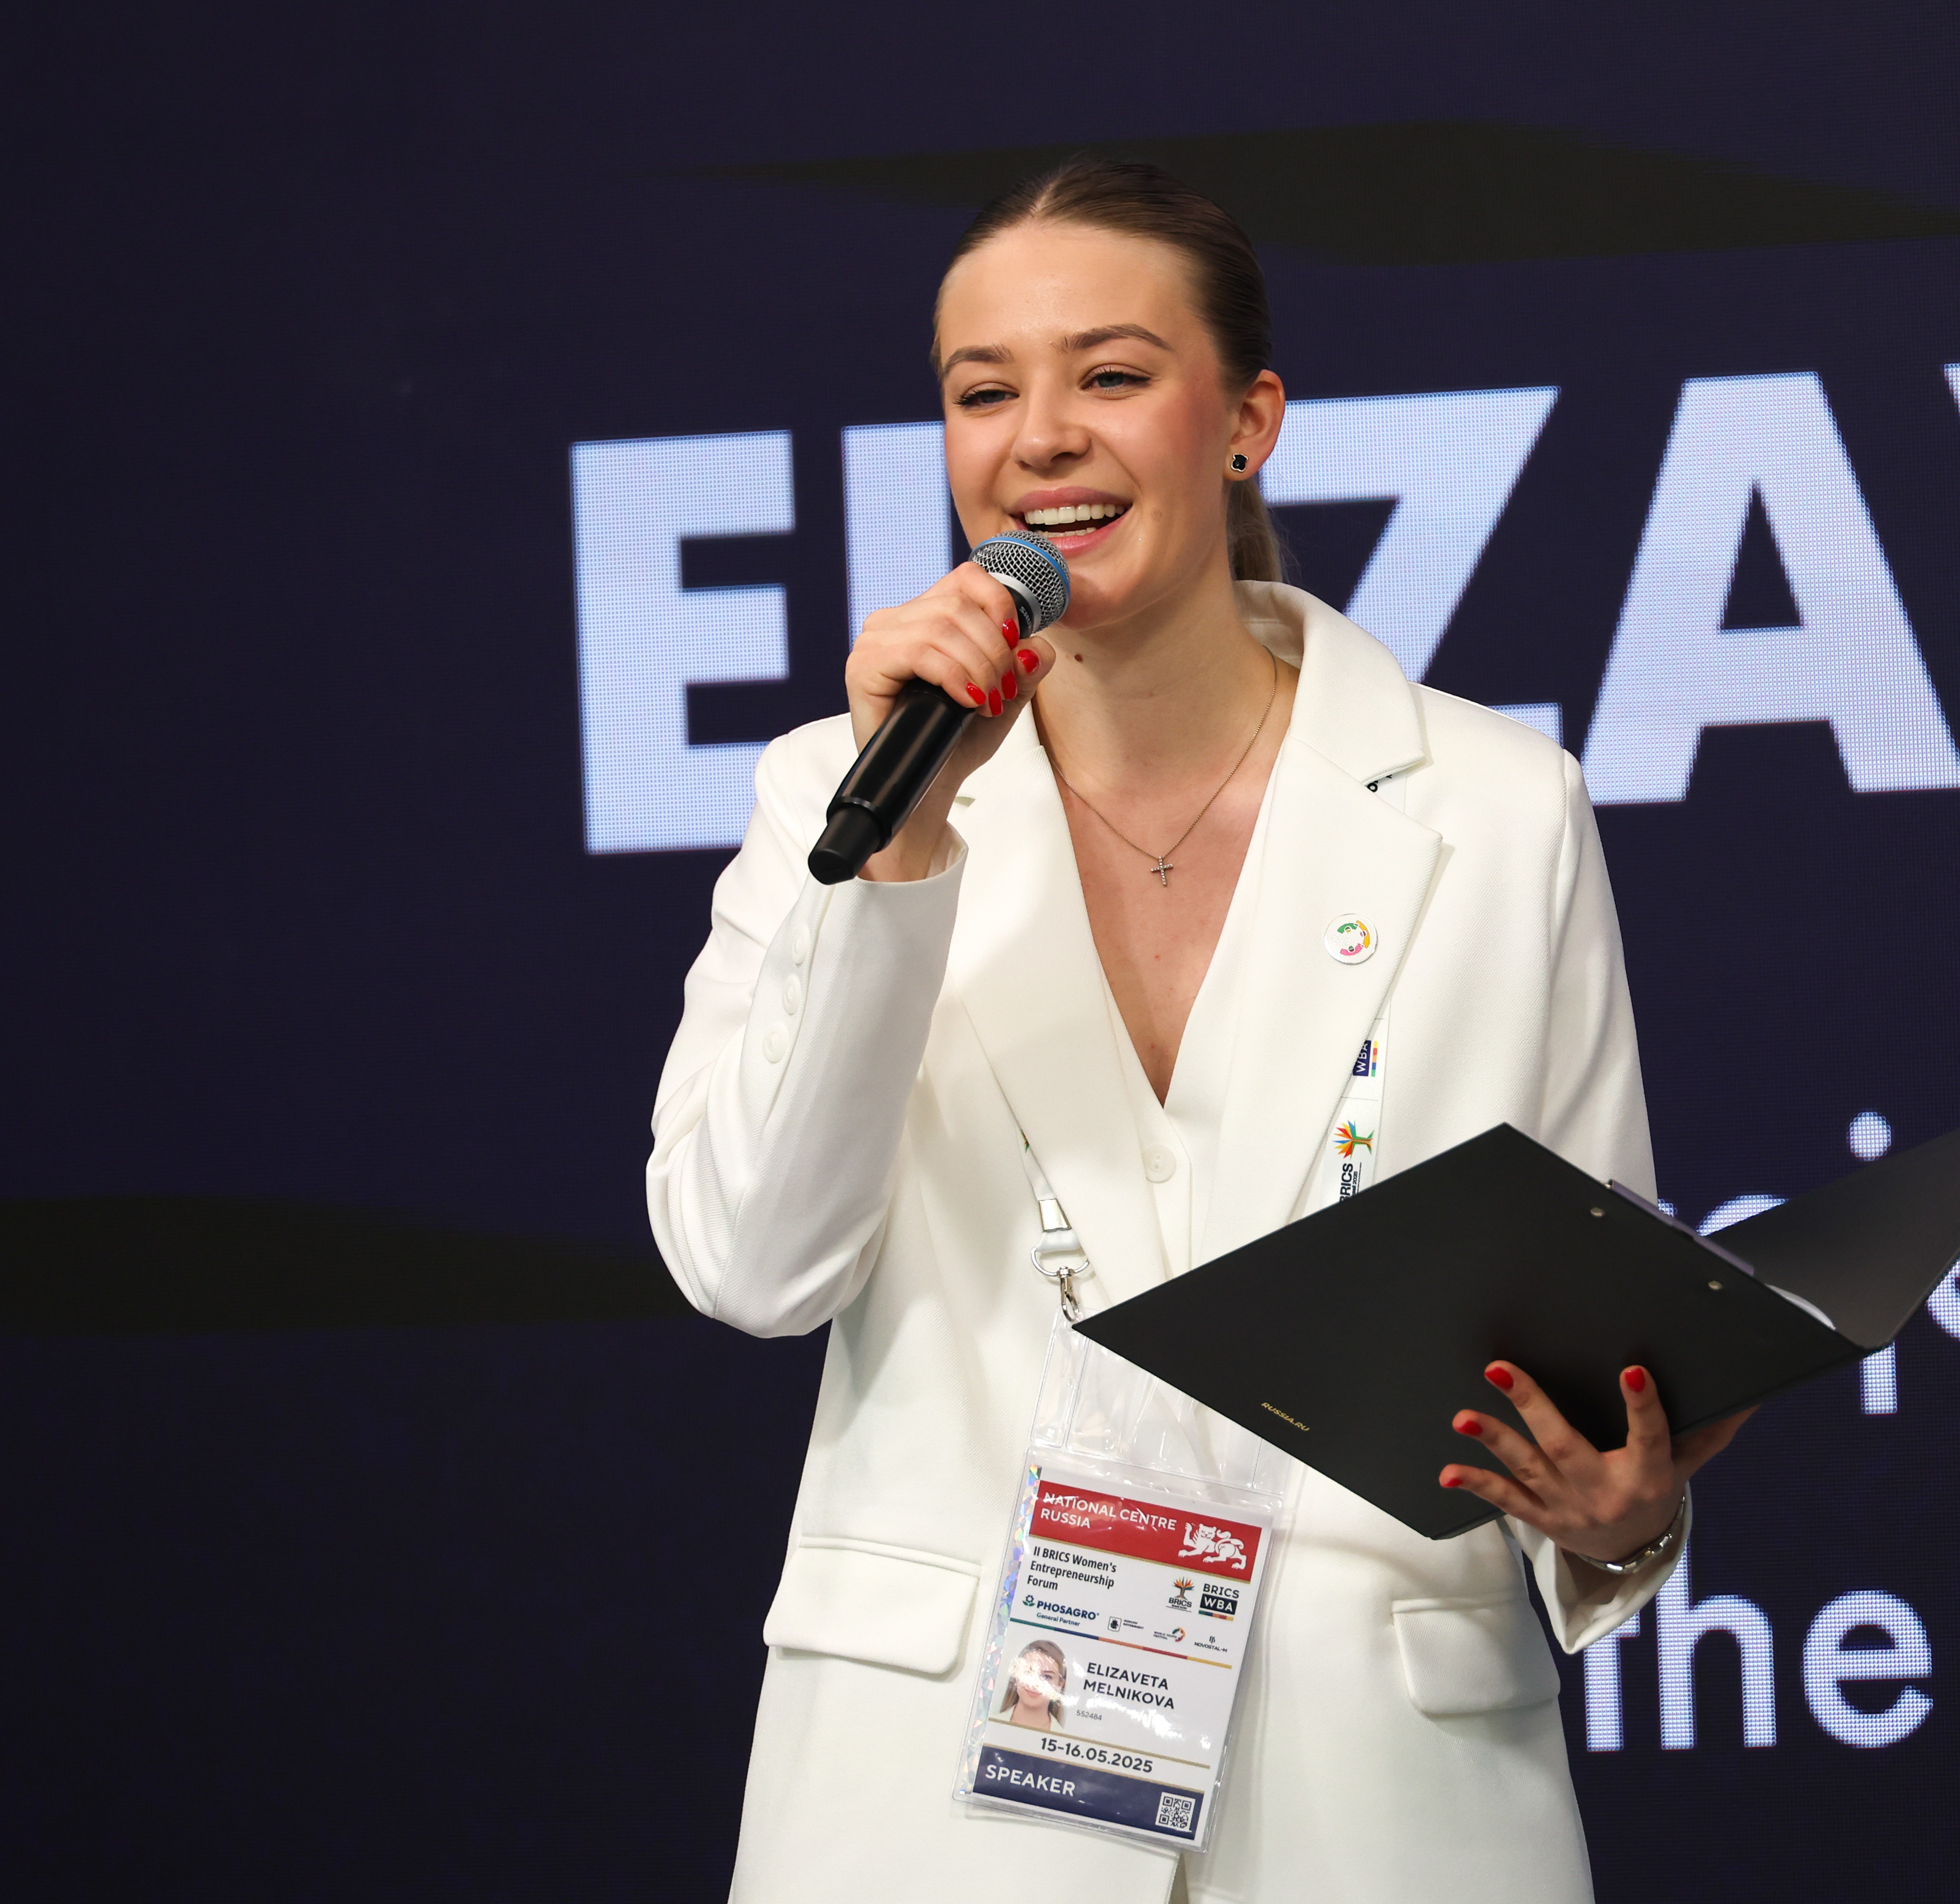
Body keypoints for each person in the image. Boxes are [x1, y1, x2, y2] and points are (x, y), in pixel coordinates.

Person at [648, 159, 1749, 1904]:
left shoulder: (1496, 805)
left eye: (1109, 374)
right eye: (983, 392)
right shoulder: (834, 792)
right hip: (932, 1817)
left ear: (1245, 422)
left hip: (1381, 1805)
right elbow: (751, 1261)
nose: (1041, 439)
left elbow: (1586, 1314)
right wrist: (902, 853)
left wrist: (1621, 1510)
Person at [997, 1639, 1070, 1733]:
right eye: (1028, 1672)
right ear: (1016, 1674)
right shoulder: (990, 1725)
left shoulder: (1063, 1737)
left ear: (1060, 1685)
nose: (1035, 1683)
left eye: (1047, 1677)